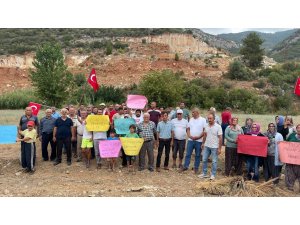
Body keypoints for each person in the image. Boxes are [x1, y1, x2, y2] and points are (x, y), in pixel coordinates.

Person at [181, 107, 206, 174]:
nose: (192, 113)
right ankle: (185, 166)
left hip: (199, 140)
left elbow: (204, 130)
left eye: (193, 112)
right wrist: (189, 136)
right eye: (192, 112)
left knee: (197, 155)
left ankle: (196, 168)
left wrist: (198, 137)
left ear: (197, 113)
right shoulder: (191, 119)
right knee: (188, 154)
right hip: (190, 140)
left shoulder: (203, 120)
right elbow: (188, 128)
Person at [198, 113, 222, 180]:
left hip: (215, 147)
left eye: (210, 118)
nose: (209, 120)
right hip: (207, 146)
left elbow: (220, 138)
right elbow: (205, 135)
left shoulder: (218, 127)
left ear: (214, 119)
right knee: (204, 159)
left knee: (214, 161)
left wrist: (219, 148)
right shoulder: (206, 126)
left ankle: (213, 175)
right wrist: (203, 143)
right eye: (208, 118)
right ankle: (204, 173)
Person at [285, 124, 300, 191]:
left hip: (299, 159)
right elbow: (286, 143)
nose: (299, 129)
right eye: (298, 128)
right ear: (296, 129)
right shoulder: (292, 135)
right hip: (291, 158)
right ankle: (290, 186)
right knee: (290, 171)